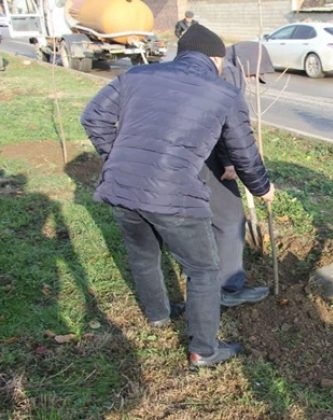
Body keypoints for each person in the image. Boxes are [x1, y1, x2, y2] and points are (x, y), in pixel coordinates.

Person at [81, 24, 275, 367]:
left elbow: (93, 117)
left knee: (144, 256)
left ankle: (159, 316)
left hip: (122, 188)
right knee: (203, 270)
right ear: (216, 58)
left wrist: (117, 159)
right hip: (174, 195)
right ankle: (204, 349)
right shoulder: (222, 92)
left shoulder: (137, 76)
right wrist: (262, 187)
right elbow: (242, 151)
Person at [201, 41, 275, 308]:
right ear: (245, 63)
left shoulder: (204, 69)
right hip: (207, 157)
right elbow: (227, 125)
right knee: (231, 219)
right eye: (254, 74)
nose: (254, 80)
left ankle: (206, 277)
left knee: (205, 218)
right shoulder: (230, 73)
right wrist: (229, 161)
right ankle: (227, 288)